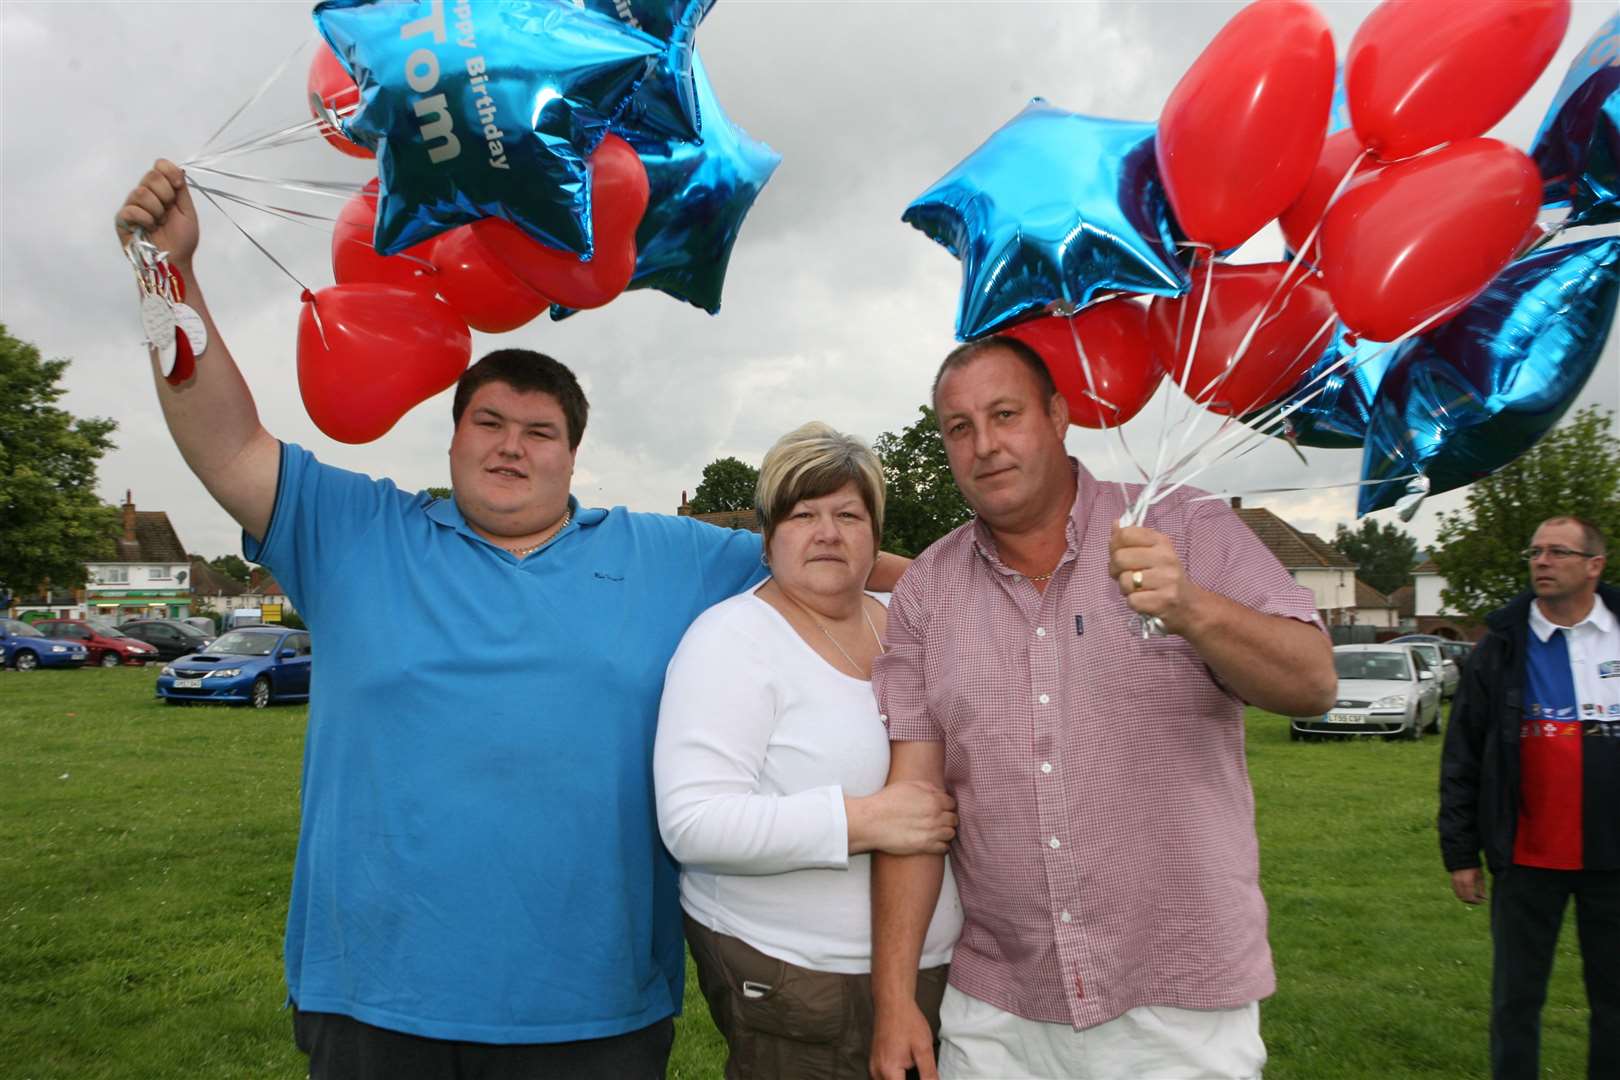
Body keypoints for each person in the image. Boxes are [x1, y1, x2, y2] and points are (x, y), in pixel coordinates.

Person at [113, 160, 907, 1079]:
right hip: (375, 997)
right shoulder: (357, 531)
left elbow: (826, 549)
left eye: (540, 433)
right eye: (489, 423)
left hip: (592, 1010)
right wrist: (164, 273)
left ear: (574, 456)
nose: (510, 447)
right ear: (451, 437)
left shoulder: (665, 554)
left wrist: (972, 578)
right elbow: (224, 442)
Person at [866, 337, 1337, 1080]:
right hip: (999, 1013)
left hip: (1179, 1007)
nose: (984, 445)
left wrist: (1191, 607)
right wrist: (894, 1001)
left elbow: (1313, 683)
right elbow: (913, 808)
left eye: (1005, 414)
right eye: (959, 428)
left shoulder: (1185, 527)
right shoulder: (927, 590)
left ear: (1058, 416)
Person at [654, 422, 963, 1079]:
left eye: (849, 514)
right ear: (767, 541)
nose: (828, 532)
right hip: (801, 988)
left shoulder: (906, 627)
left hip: (942, 977)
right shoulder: (733, 639)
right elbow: (693, 822)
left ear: (875, 533)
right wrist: (868, 819)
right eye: (803, 515)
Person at [1439, 517, 1619, 1080]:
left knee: (1614, 1003)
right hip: (1526, 857)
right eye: (1535, 550)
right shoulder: (1502, 645)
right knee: (1516, 1001)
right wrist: (1462, 853)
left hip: (1614, 860)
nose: (1541, 561)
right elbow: (1463, 755)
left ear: (1594, 565)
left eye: (1558, 552)